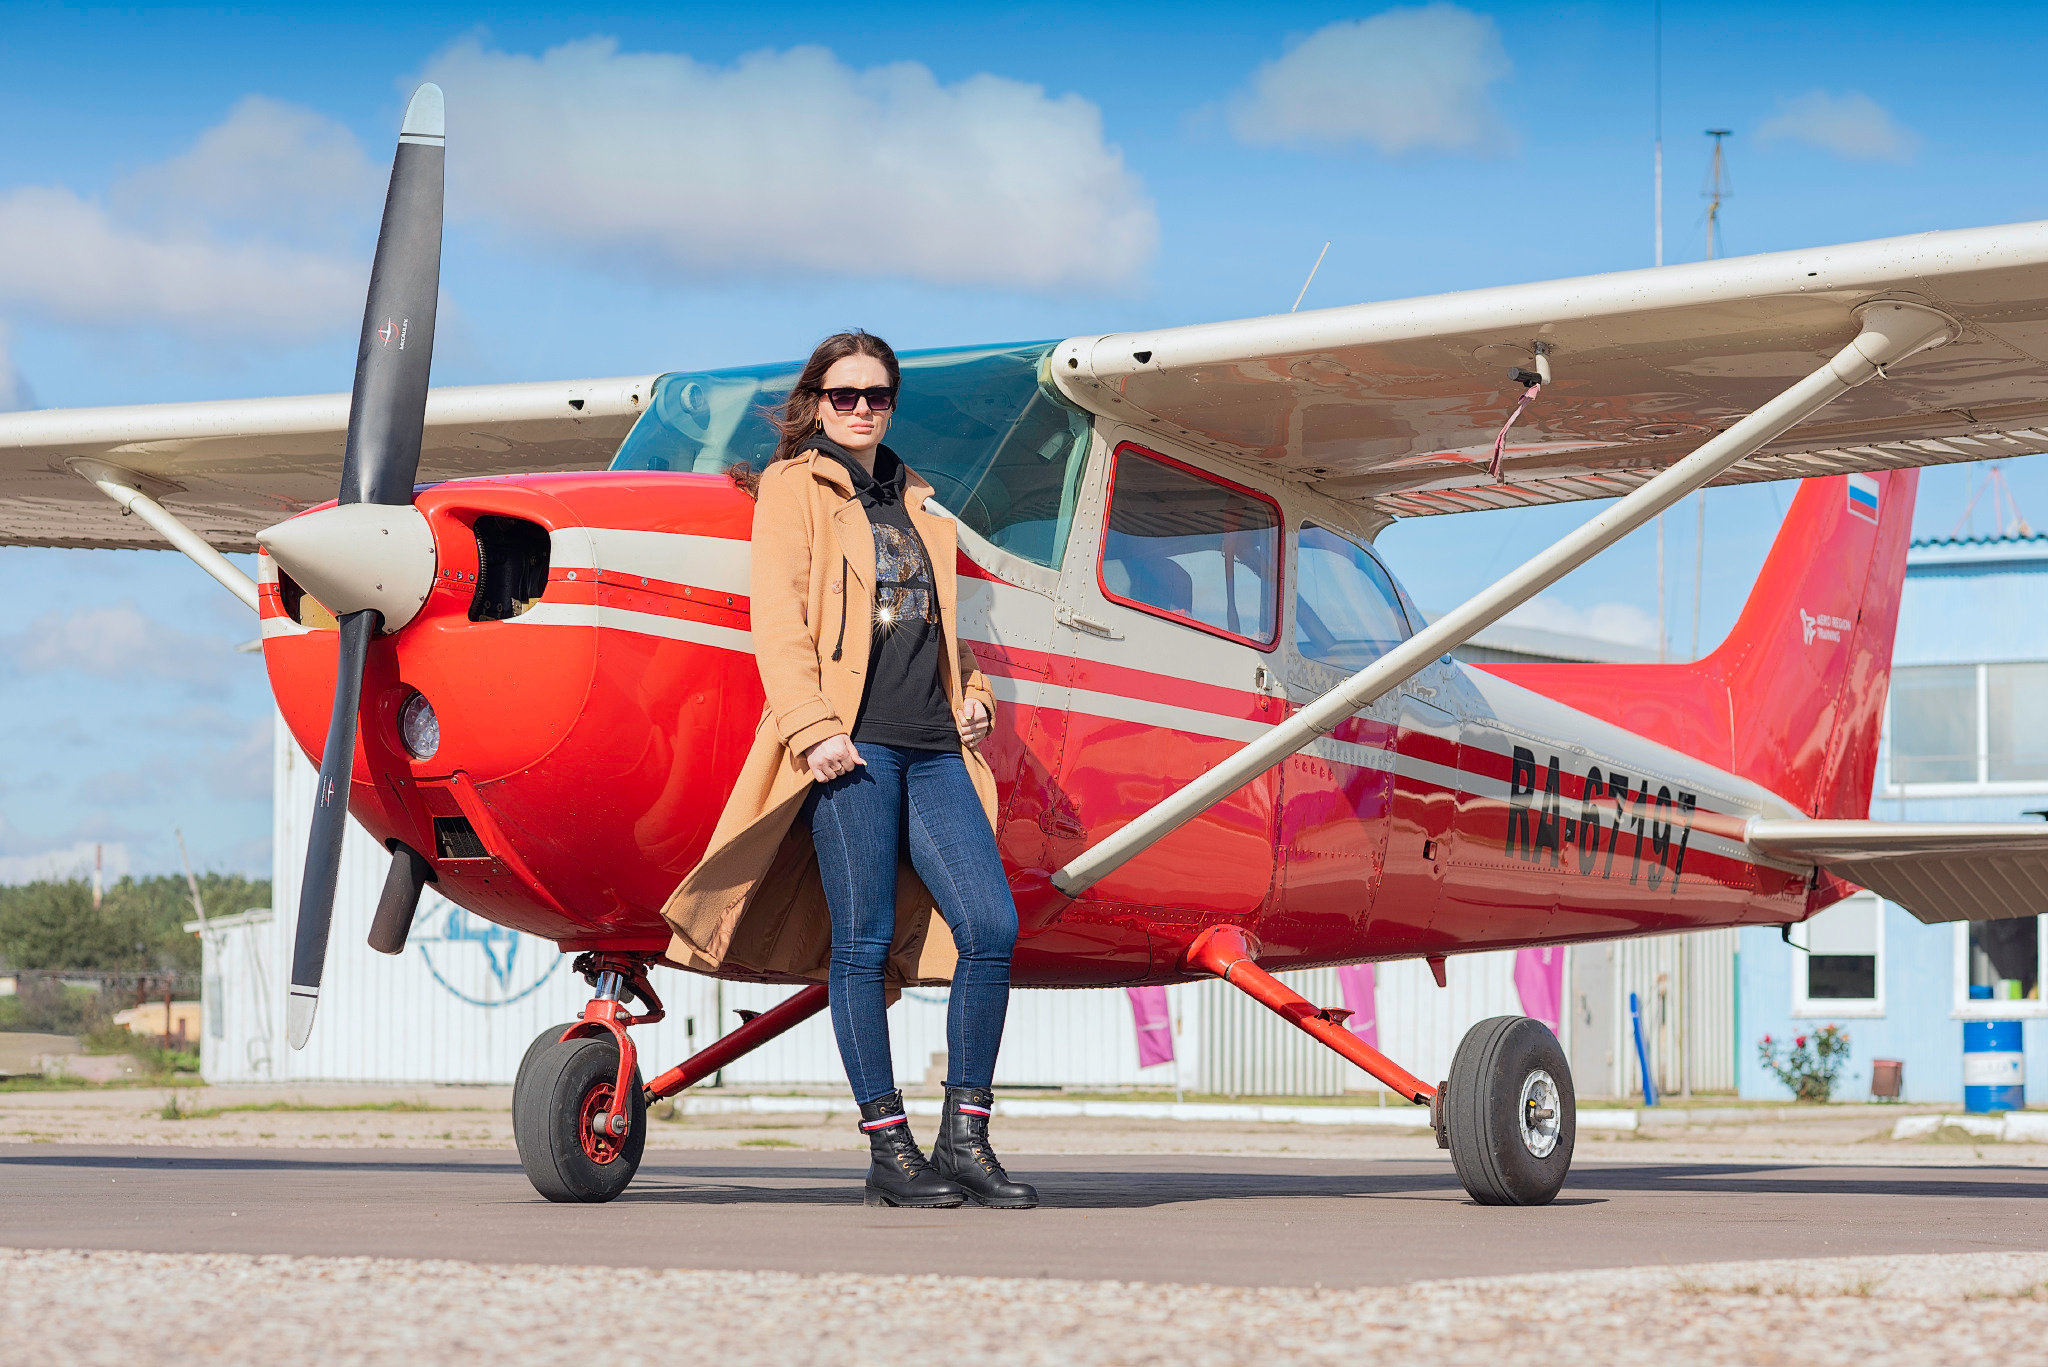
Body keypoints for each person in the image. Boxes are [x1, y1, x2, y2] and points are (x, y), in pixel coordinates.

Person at [663, 330, 1035, 1210]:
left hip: (936, 747)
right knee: (862, 943)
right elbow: (780, 621)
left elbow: (941, 628)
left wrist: (975, 693)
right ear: (817, 403)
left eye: (877, 395)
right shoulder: (793, 488)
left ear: (892, 405)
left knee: (991, 925)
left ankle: (965, 1137)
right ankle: (888, 1147)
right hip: (850, 747)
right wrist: (812, 727)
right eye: (844, 394)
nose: (862, 408)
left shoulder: (920, 502)